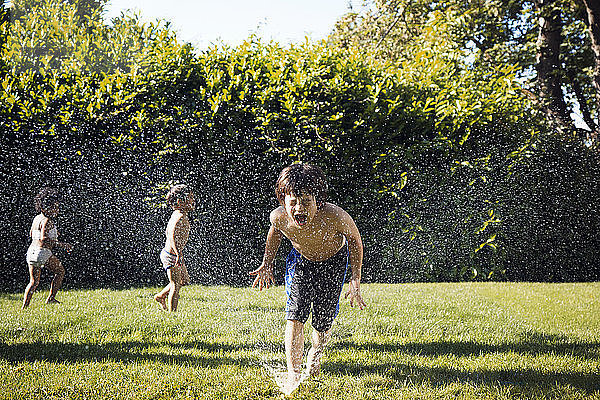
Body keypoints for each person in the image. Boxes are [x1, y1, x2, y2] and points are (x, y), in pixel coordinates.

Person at [250, 163, 366, 385]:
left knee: (323, 321)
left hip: (333, 264)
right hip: (301, 263)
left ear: (318, 201)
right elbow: (275, 234)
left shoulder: (335, 216)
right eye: (293, 202)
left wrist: (355, 278)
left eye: (306, 201)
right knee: (295, 315)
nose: (299, 208)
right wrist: (267, 264)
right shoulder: (279, 217)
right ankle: (293, 373)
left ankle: (316, 352)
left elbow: (355, 241)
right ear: (283, 200)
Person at [23, 187, 73, 309]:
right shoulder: (47, 220)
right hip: (42, 252)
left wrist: (54, 234)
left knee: (33, 282)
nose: (57, 210)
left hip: (31, 253)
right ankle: (51, 298)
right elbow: (44, 238)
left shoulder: (37, 218)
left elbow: (32, 234)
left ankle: (25, 306)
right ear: (44, 207)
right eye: (54, 207)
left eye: (57, 207)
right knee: (60, 272)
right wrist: (61, 244)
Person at [154, 184, 194, 312]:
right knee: (175, 284)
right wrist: (178, 254)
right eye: (190, 198)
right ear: (180, 201)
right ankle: (173, 314)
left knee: (184, 280)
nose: (193, 201)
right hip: (172, 255)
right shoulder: (180, 217)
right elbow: (171, 236)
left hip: (173, 254)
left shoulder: (179, 214)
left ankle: (161, 296)